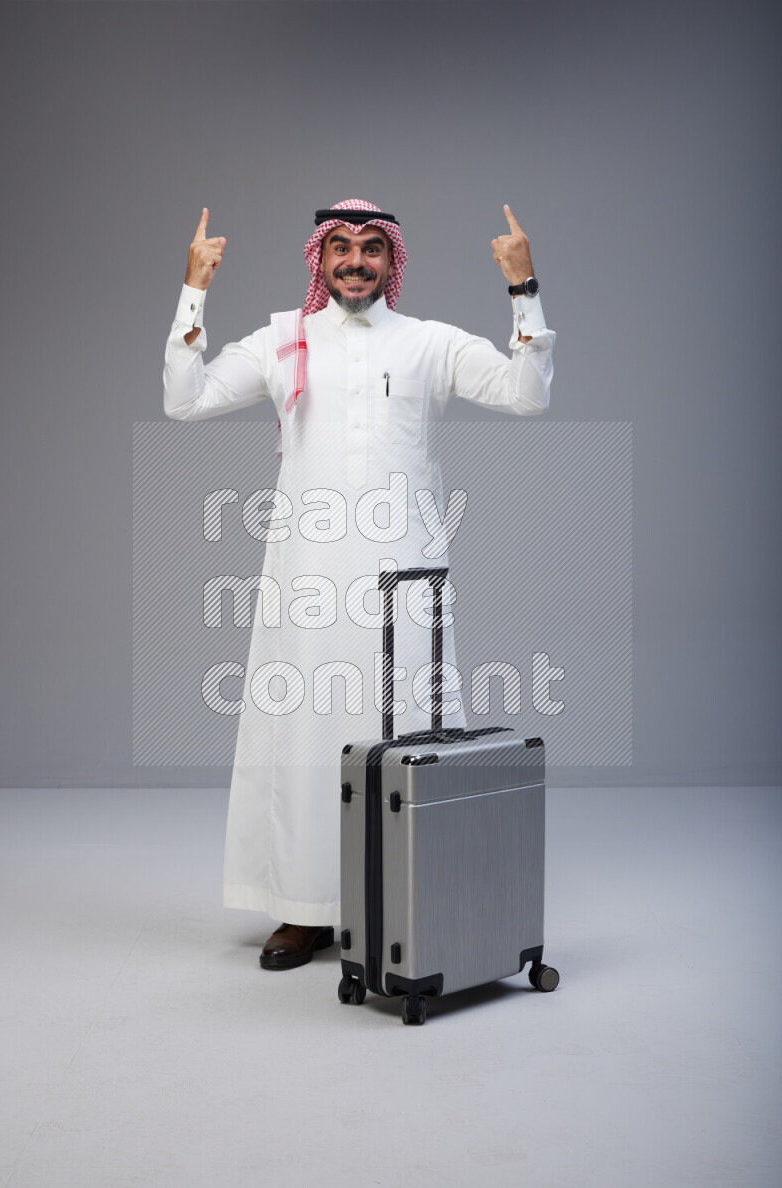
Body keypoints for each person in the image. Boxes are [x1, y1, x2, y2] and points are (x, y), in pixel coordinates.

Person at [163, 199, 556, 970]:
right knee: (305, 736)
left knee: (408, 727)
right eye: (340, 247)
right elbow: (185, 400)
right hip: (306, 577)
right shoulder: (285, 339)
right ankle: (303, 911)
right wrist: (193, 290)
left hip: (403, 577)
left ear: (391, 261)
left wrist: (524, 287)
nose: (354, 261)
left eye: (371, 248)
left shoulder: (428, 343)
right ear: (319, 257)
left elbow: (528, 394)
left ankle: (406, 897)